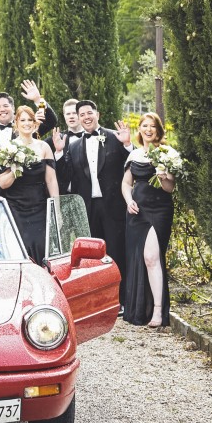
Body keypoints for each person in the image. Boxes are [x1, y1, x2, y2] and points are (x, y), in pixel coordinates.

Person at [57, 99, 134, 310]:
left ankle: (122, 301)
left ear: (97, 114)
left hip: (113, 206)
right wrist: (58, 153)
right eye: (82, 115)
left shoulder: (115, 138)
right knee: (93, 257)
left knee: (117, 252)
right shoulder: (72, 146)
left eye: (89, 113)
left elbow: (132, 164)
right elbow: (65, 178)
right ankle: (100, 302)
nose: (86, 117)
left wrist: (128, 145)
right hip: (88, 209)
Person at [122, 112, 176, 328]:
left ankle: (158, 312)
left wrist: (164, 177)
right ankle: (139, 309)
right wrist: (128, 200)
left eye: (152, 125)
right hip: (137, 211)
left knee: (152, 257)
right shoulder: (134, 155)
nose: (148, 129)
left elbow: (169, 189)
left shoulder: (167, 152)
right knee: (140, 258)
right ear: (140, 130)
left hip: (159, 210)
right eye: (144, 125)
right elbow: (126, 183)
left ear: (158, 129)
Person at [0, 105, 59, 264]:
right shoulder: (8, 147)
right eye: (22, 120)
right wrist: (15, 168)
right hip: (16, 208)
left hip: (39, 207)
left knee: (40, 246)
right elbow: (2, 184)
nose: (27, 123)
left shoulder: (44, 147)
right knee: (21, 247)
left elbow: (51, 180)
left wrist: (56, 209)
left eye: (30, 119)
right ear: (16, 123)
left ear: (35, 123)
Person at [0, 82, 58, 156]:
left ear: (13, 108)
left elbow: (51, 122)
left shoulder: (27, 126)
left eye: (5, 106)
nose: (2, 109)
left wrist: (38, 100)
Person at [48, 98, 85, 191]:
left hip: (88, 195)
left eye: (74, 113)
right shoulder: (56, 139)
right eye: (68, 114)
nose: (71, 117)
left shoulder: (92, 138)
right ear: (64, 116)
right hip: (63, 194)